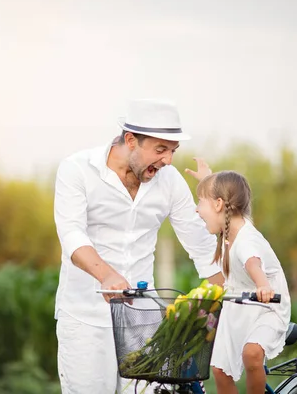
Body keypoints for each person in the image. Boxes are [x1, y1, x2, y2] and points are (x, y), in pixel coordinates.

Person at [53, 98, 225, 394]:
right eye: (160, 150)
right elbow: (71, 234)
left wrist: (229, 294)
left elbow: (201, 245)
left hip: (144, 325)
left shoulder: (169, 181)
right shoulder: (77, 170)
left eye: (172, 151)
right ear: (130, 140)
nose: (168, 160)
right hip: (85, 322)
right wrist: (106, 274)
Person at [190, 161, 292, 394]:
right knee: (219, 370)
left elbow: (253, 262)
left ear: (218, 205)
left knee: (251, 353)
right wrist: (208, 178)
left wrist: (263, 285)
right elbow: (226, 195)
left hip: (266, 307)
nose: (197, 210)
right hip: (239, 306)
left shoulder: (246, 239)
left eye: (200, 202)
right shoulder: (230, 229)